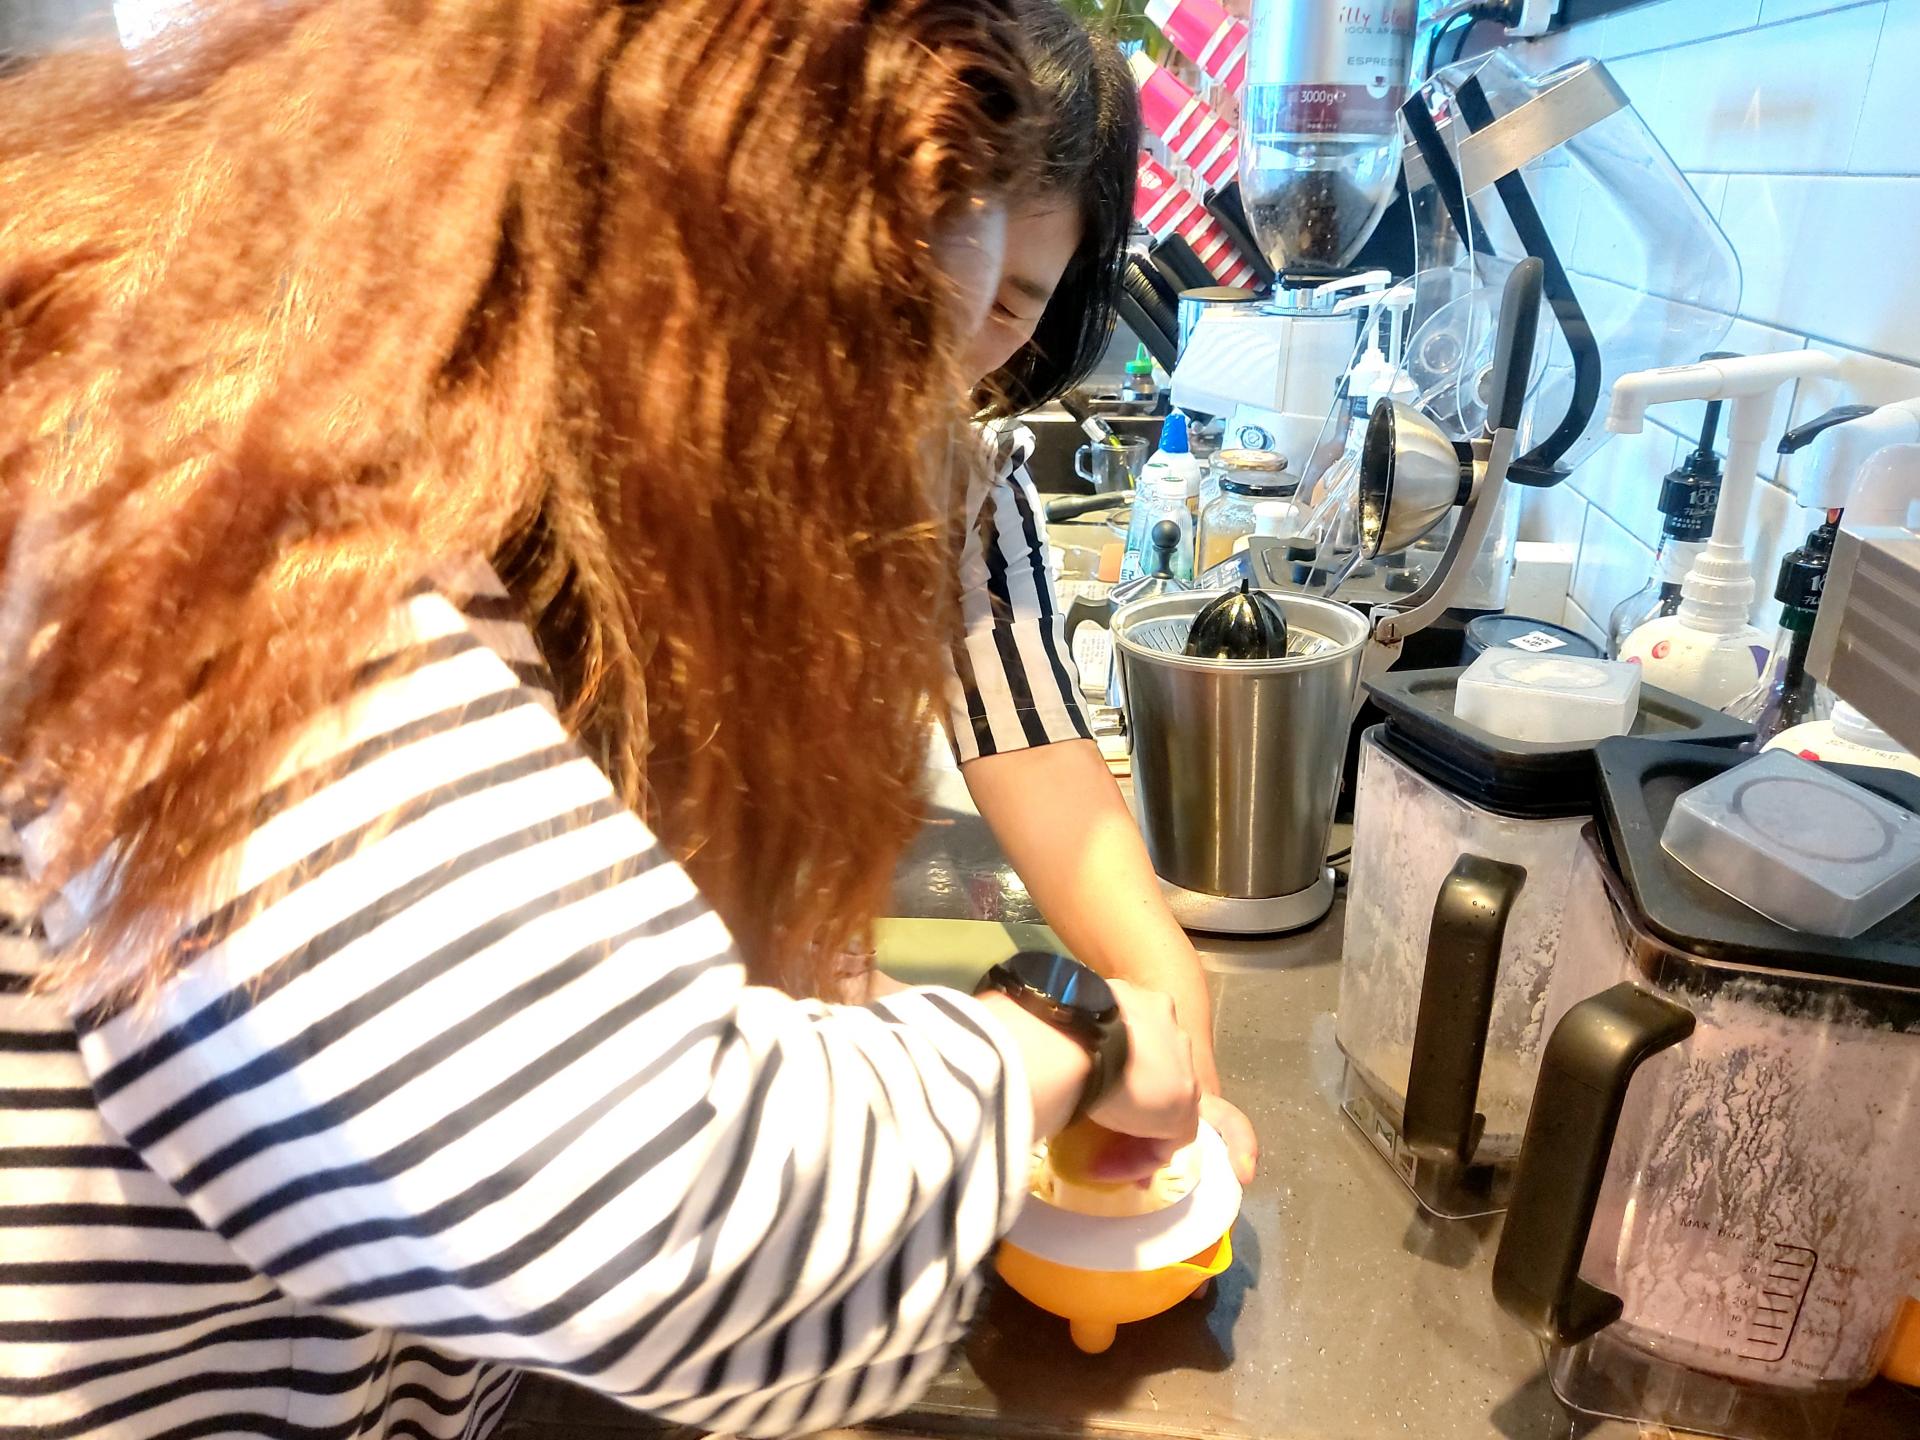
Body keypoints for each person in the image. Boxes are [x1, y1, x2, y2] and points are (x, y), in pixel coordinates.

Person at [0, 4, 1200, 1438]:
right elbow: (668, 1207)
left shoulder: (441, 433)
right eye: (864, 374)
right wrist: (1056, 1033)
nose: (890, 455)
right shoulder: (228, 496)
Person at [935, 2, 1260, 1183]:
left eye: (1009, 301)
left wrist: (1182, 1059)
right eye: (924, 263)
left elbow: (1053, 787)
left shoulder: (965, 498)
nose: (940, 342)